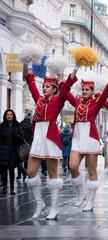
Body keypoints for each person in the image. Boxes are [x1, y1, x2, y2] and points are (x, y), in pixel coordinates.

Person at [24, 63, 75, 220]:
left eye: (48, 87)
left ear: (54, 89)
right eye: (44, 86)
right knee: (30, 172)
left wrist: (75, 69)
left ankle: (54, 208)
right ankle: (40, 203)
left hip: (50, 138)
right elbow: (31, 84)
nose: (44, 88)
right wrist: (29, 65)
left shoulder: (57, 101)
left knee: (53, 174)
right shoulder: (39, 100)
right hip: (38, 138)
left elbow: (66, 88)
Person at [67, 75, 108, 211]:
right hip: (77, 138)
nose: (84, 91)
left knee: (91, 170)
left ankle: (91, 200)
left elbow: (107, 91)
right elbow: (65, 91)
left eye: (88, 89)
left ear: (92, 91)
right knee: (72, 166)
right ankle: (81, 193)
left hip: (90, 138)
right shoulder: (77, 102)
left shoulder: (96, 103)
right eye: (83, 89)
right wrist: (63, 76)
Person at [0, 109, 24, 195]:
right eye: (7, 115)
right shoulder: (2, 126)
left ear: (13, 116)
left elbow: (22, 138)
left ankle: (12, 188)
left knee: (11, 169)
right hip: (4, 151)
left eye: (10, 114)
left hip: (14, 151)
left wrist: (17, 136)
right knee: (3, 169)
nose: (9, 116)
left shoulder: (17, 126)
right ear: (5, 116)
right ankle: (5, 186)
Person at [18, 112, 32, 181]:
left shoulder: (20, 125)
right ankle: (26, 172)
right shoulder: (31, 126)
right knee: (27, 158)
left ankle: (19, 174)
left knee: (19, 158)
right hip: (28, 144)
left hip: (20, 143)